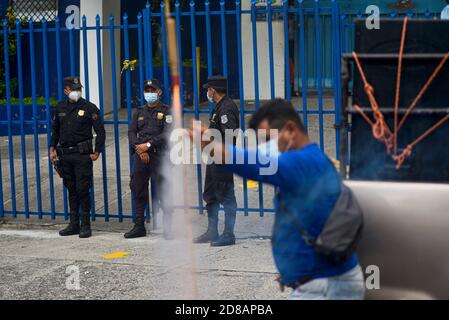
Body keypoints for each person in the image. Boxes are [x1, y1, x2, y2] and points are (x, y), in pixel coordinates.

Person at [191, 99, 365, 299]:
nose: (266, 147)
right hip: (321, 281)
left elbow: (252, 165)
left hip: (326, 285)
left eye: (268, 138)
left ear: (290, 129)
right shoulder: (310, 159)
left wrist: (211, 145)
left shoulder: (303, 161)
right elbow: (308, 222)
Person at [50, 76, 105, 239]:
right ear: (66, 90)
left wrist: (97, 151)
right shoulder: (59, 108)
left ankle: (85, 225)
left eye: (78, 89)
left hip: (82, 155)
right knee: (71, 189)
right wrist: (52, 148)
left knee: (82, 189)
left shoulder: (89, 108)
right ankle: (74, 224)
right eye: (74, 89)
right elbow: (55, 130)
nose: (77, 92)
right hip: (65, 155)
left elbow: (100, 131)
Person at [193, 75, 240, 247]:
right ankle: (212, 230)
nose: (207, 92)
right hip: (215, 157)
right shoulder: (218, 107)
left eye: (208, 89)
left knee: (226, 195)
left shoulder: (226, 108)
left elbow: (229, 137)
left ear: (213, 90)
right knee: (211, 194)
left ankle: (229, 234)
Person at [126, 79, 174, 239]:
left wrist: (148, 145)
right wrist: (139, 149)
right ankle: (139, 226)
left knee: (164, 191)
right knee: (138, 189)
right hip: (142, 156)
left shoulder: (167, 112)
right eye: (147, 91)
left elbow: (167, 134)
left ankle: (168, 228)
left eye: (153, 90)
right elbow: (131, 132)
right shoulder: (138, 112)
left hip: (160, 155)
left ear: (159, 92)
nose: (150, 94)